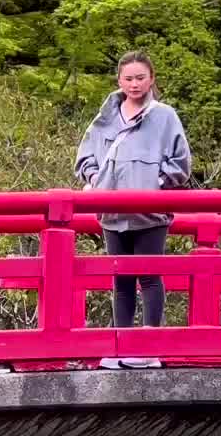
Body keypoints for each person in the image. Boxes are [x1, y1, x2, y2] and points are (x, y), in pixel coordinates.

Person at [75, 51, 192, 349]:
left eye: (141, 78)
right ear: (119, 80)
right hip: (112, 212)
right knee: (121, 280)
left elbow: (181, 163)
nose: (135, 84)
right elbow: (85, 155)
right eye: (128, 79)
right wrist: (93, 179)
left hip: (150, 213)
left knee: (150, 277)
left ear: (152, 79)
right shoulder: (107, 115)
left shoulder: (164, 115)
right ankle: (120, 346)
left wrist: (155, 185)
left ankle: (150, 346)